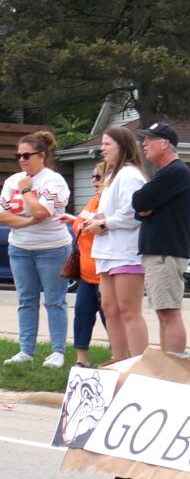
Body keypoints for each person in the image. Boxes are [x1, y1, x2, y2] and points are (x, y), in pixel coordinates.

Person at [3, 130, 74, 367]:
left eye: (26, 155)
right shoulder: (12, 180)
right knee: (26, 300)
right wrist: (28, 221)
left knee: (54, 301)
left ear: (41, 155)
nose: (22, 160)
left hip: (52, 249)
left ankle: (57, 352)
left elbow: (42, 212)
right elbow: (3, 216)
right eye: (18, 156)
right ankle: (26, 351)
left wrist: (26, 191)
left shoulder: (54, 181)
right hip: (19, 248)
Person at [132, 122, 190, 356]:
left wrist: (145, 207)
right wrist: (144, 208)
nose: (144, 144)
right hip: (161, 253)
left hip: (165, 253)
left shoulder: (174, 172)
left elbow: (139, 201)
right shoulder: (168, 174)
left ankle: (175, 367)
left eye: (150, 139)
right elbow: (141, 208)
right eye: (143, 139)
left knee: (169, 313)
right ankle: (167, 365)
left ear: (165, 143)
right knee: (163, 313)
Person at [85, 127, 149, 360]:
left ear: (122, 146)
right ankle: (119, 359)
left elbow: (132, 214)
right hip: (107, 252)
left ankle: (139, 363)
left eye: (107, 144)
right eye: (102, 144)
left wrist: (103, 225)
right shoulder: (112, 176)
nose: (102, 148)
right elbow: (111, 213)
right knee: (110, 309)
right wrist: (94, 221)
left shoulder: (130, 175)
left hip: (126, 252)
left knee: (129, 310)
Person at [67, 164, 106, 367]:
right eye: (93, 176)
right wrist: (74, 221)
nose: (94, 180)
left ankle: (123, 358)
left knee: (110, 318)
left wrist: (90, 227)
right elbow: (82, 224)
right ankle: (81, 360)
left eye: (99, 176)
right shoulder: (93, 201)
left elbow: (105, 227)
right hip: (86, 272)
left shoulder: (110, 203)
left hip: (105, 274)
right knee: (82, 314)